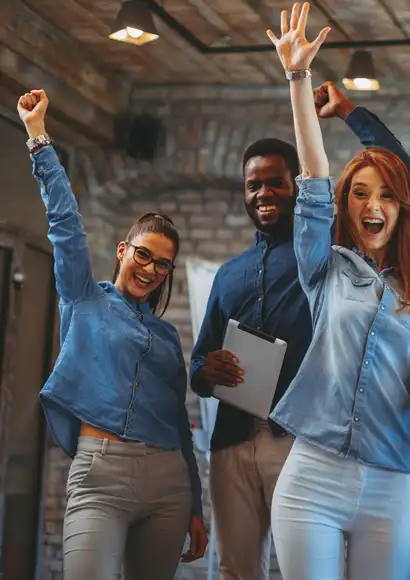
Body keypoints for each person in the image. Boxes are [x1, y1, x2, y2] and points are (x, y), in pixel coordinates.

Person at [189, 32, 410, 580]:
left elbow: (404, 178)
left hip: (299, 442)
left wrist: (347, 111)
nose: (264, 193)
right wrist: (205, 371)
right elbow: (198, 364)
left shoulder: (327, 255)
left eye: (275, 183)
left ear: (297, 186)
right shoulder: (228, 274)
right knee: (235, 572)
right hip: (231, 441)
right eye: (253, 186)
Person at [263, 4, 410, 579]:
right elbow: (313, 175)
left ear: (402, 208)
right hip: (312, 474)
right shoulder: (325, 267)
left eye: (386, 194)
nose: (373, 204)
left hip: (392, 482)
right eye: (360, 193)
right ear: (346, 204)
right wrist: (297, 77)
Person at [17, 89, 206, 579]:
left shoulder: (166, 337)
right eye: (143, 254)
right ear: (123, 250)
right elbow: (65, 224)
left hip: (168, 481)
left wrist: (195, 503)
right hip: (100, 474)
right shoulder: (84, 298)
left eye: (162, 265)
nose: (150, 269)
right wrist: (38, 137)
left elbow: (179, 421)